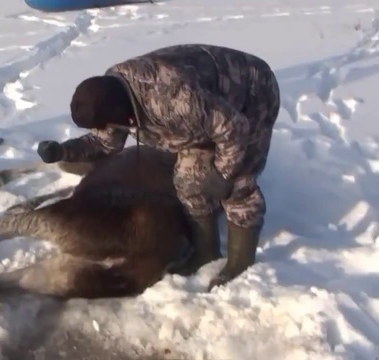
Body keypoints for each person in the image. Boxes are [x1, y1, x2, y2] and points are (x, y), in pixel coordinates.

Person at [35, 44, 281, 291]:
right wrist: (62, 151)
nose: (106, 127)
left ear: (120, 113)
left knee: (238, 186)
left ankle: (241, 263)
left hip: (250, 95)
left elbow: (233, 127)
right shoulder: (109, 95)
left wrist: (224, 173)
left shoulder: (174, 99)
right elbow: (103, 142)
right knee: (188, 181)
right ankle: (206, 252)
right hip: (206, 106)